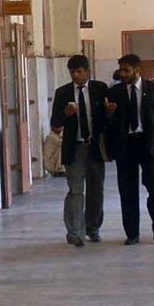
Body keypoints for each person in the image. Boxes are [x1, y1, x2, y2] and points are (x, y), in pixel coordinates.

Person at [108, 53, 154, 244]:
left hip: (150, 145)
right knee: (127, 191)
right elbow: (109, 124)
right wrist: (110, 114)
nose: (122, 74)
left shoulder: (153, 90)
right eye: (120, 70)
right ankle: (132, 233)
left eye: (126, 70)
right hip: (126, 146)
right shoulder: (115, 93)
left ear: (137, 70)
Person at [49, 54, 113, 246]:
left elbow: (107, 118)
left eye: (79, 71)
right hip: (74, 148)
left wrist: (110, 112)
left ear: (87, 72)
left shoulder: (100, 89)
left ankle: (92, 227)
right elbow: (55, 123)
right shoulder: (63, 93)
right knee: (75, 190)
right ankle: (75, 231)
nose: (75, 75)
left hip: (94, 147)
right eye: (72, 72)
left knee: (96, 190)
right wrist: (65, 114)